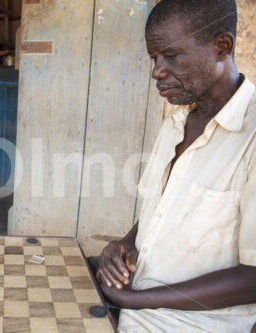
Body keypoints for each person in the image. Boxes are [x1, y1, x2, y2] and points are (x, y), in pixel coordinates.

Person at [96, 0, 256, 331]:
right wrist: (125, 244)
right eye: (154, 58)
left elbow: (253, 277)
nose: (157, 71)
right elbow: (163, 209)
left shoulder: (250, 136)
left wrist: (135, 299)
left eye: (171, 55)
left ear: (220, 47)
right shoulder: (178, 122)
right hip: (134, 314)